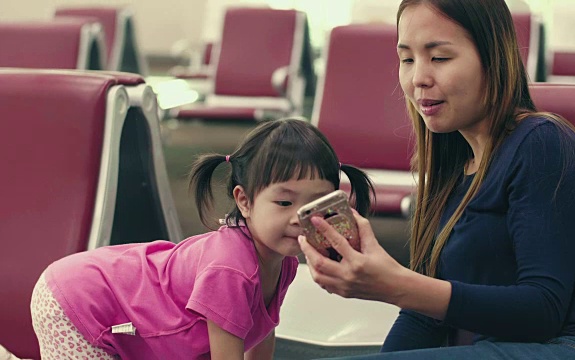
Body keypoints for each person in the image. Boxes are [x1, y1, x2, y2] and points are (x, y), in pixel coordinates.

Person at [299, 1, 575, 359]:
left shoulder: (542, 142)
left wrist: (396, 285)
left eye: (439, 58)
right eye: (407, 59)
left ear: (493, 58)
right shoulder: (451, 168)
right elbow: (422, 319)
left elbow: (543, 311)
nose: (418, 79)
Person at [30, 118, 375, 360]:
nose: (299, 218)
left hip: (112, 299)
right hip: (77, 303)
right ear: (245, 201)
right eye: (284, 202)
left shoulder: (281, 261)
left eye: (314, 204)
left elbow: (263, 331)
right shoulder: (232, 268)